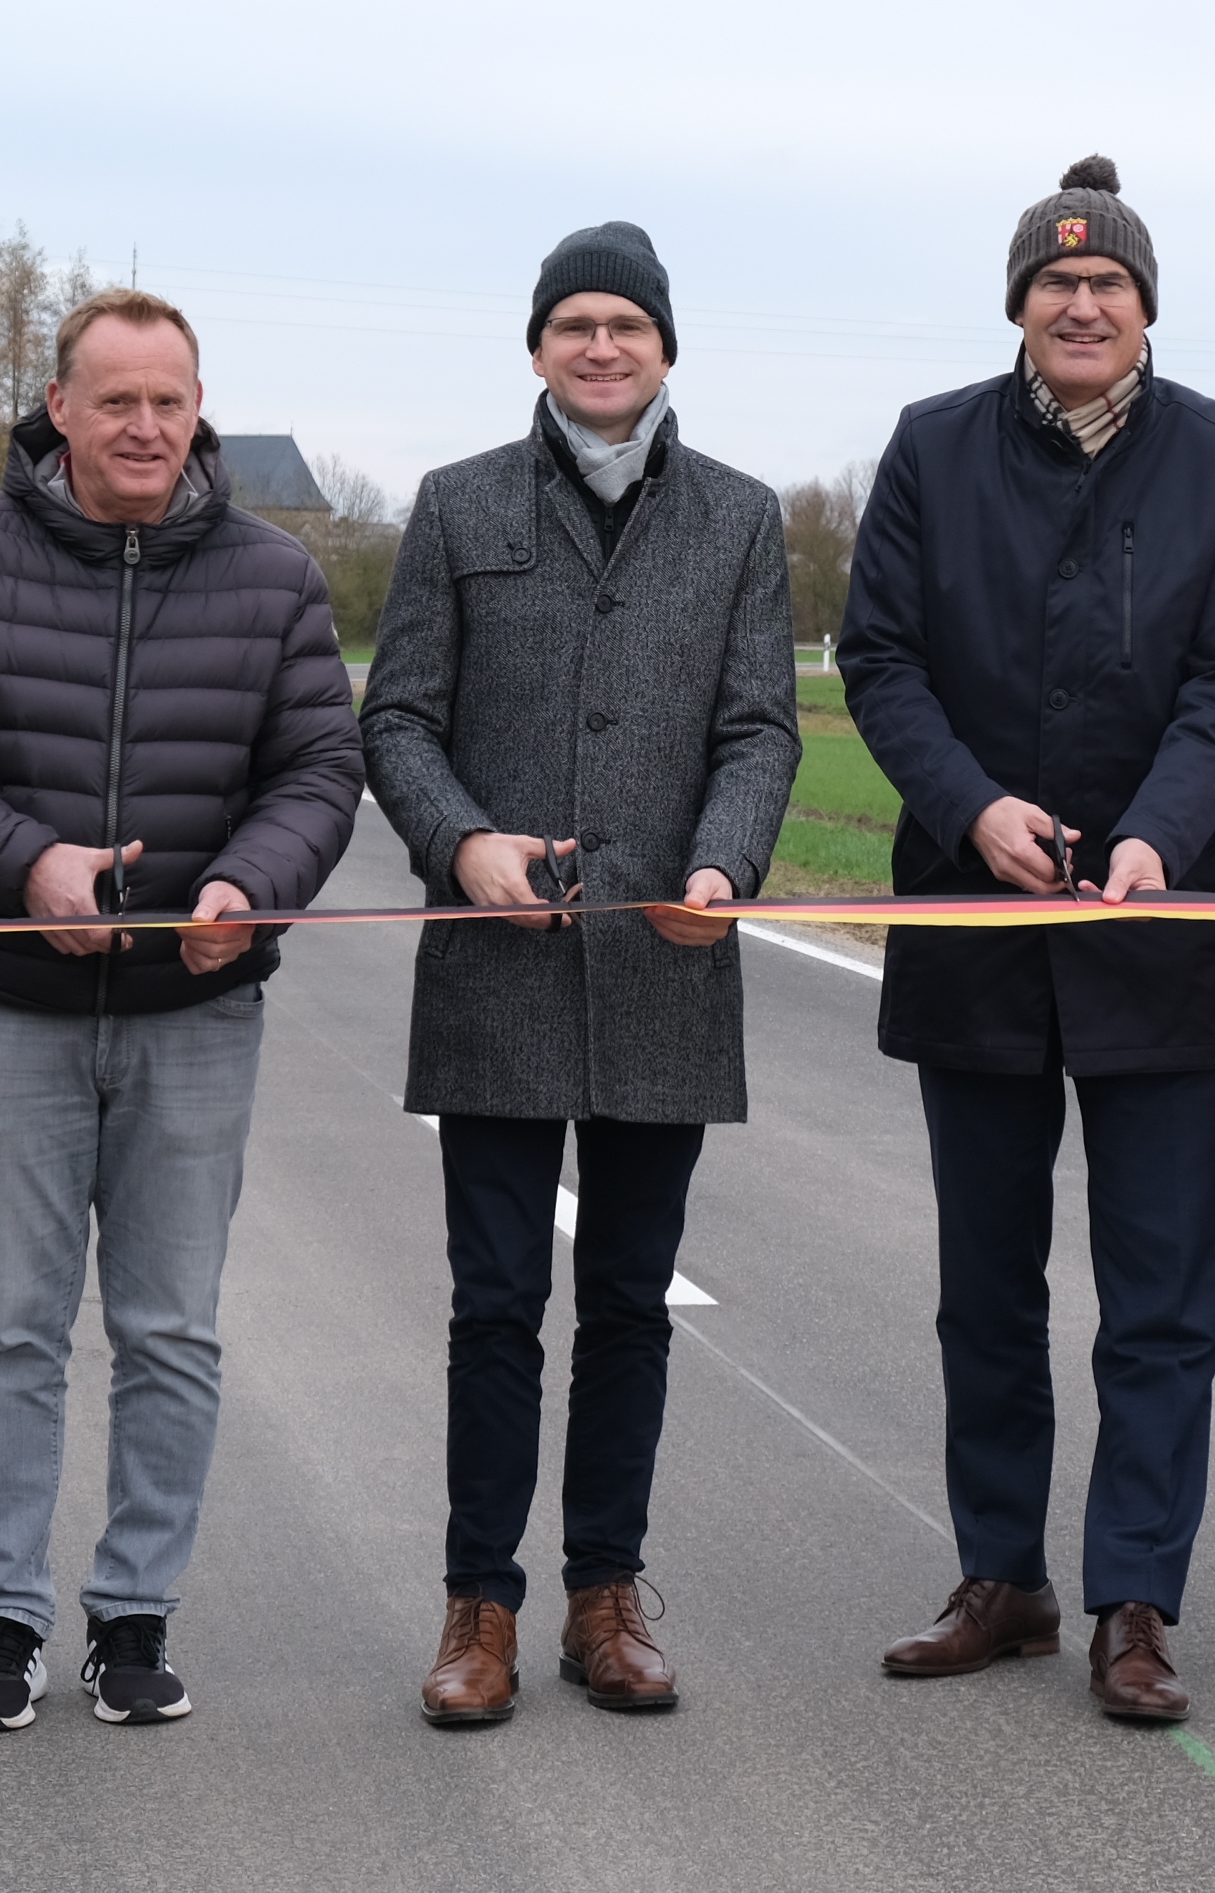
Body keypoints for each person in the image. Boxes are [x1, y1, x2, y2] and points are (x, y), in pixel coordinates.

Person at [0, 287, 365, 1735]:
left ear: (199, 412)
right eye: (115, 399)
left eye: (167, 401)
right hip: (6, 1006)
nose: (143, 426)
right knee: (11, 1326)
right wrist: (23, 864)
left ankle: (135, 1614)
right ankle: (0, 1618)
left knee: (171, 1331)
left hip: (196, 1012)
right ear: (58, 407)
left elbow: (320, 769)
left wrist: (252, 885)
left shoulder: (273, 576)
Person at [838, 157, 1215, 1728]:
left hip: (1157, 935)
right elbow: (880, 656)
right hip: (975, 925)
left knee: (1160, 1297)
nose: (1082, 305)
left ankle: (1136, 1601)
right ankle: (1001, 1579)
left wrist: (1157, 833)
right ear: (1020, 306)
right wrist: (971, 811)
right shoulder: (932, 446)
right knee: (987, 1286)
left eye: (1108, 285)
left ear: (1145, 307)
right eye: (1056, 283)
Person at [362, 221, 801, 1726]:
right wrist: (460, 842)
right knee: (494, 1306)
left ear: (666, 347)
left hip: (664, 967)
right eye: (574, 325)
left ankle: (604, 1599)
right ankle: (476, 1606)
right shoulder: (458, 503)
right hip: (495, 972)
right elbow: (396, 716)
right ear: (539, 347)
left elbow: (760, 726)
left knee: (626, 1306)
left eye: (626, 324)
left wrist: (724, 868)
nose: (601, 347)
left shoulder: (740, 518)